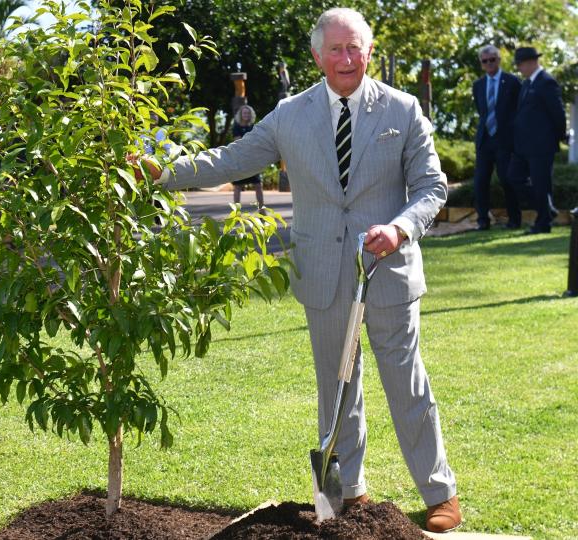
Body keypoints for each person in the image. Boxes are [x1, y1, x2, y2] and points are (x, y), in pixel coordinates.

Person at [146, 8, 460, 532]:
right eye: (335, 49)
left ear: (369, 51)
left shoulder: (403, 111)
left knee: (408, 384)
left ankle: (439, 492)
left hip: (388, 273)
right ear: (317, 56)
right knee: (336, 390)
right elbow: (232, 159)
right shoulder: (290, 115)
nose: (346, 58)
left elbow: (432, 188)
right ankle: (347, 493)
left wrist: (400, 228)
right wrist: (160, 172)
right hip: (320, 273)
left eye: (355, 47)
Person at [508, 46, 567, 235]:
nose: (519, 68)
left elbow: (558, 114)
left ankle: (543, 223)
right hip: (523, 146)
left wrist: (556, 138)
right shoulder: (527, 84)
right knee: (513, 177)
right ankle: (547, 208)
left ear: (532, 62)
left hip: (542, 145)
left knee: (541, 184)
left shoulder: (546, 82)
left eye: (520, 64)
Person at [472, 45, 521, 230]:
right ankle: (483, 221)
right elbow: (482, 111)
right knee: (480, 182)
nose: (489, 63)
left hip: (505, 141)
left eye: (492, 59)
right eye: (485, 61)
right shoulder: (478, 85)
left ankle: (514, 220)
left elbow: (519, 111)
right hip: (485, 141)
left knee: (507, 181)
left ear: (498, 60)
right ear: (482, 64)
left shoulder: (512, 82)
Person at [230, 105, 265, 208]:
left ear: (251, 115)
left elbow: (257, 142)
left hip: (252, 160)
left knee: (258, 185)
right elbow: (239, 143)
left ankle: (261, 209)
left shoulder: (253, 127)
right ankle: (236, 212)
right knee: (237, 186)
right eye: (244, 113)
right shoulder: (236, 127)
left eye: (248, 113)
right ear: (241, 115)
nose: (246, 115)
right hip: (240, 160)